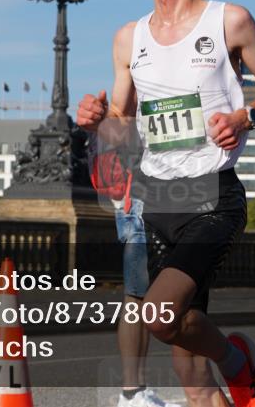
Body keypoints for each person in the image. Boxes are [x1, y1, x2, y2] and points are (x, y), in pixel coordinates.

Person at [76, 0, 255, 407]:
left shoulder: (229, 21)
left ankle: (238, 363)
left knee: (158, 316)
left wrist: (245, 118)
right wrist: (96, 120)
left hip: (212, 196)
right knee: (185, 361)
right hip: (156, 199)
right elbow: (123, 129)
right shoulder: (129, 38)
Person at [90, 129, 182, 407]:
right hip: (139, 201)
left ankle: (136, 390)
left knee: (142, 298)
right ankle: (131, 392)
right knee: (137, 298)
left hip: (143, 200)